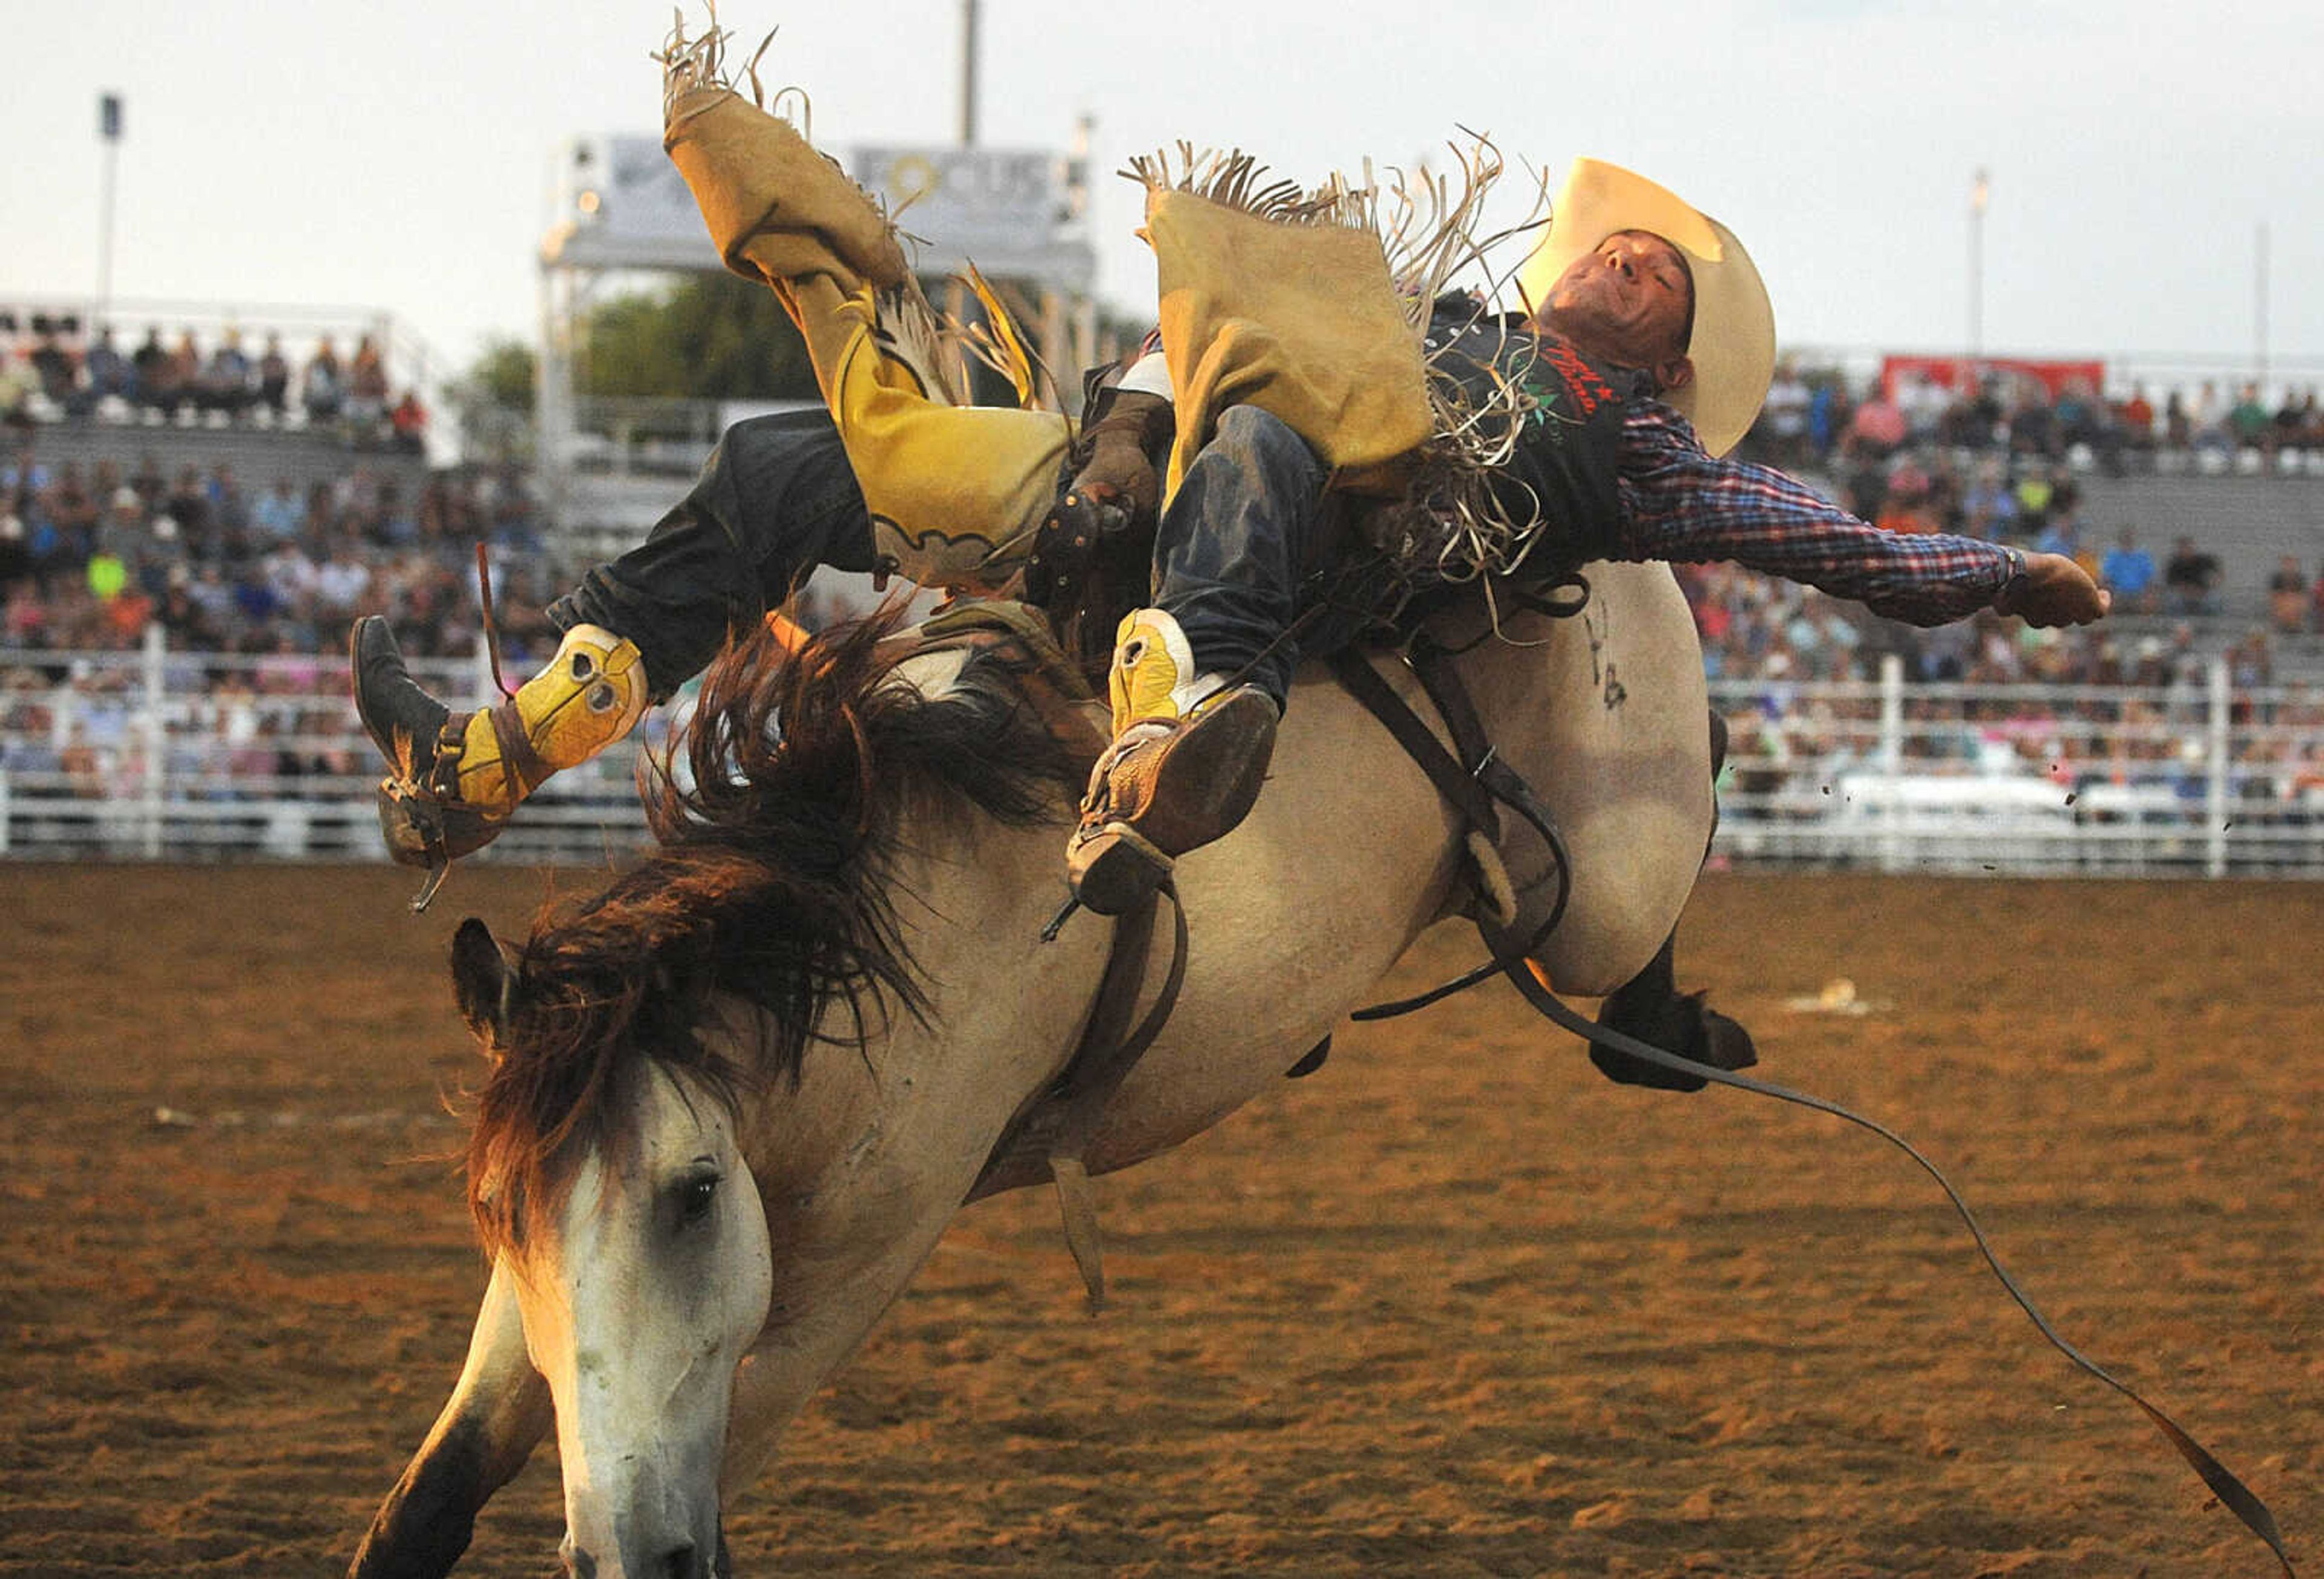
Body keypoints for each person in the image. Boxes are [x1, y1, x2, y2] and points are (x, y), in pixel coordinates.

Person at [351, 95, 2103, 905]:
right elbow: (1200, 342)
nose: (1627, 259)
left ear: (1666, 360)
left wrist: (2008, 571)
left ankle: (1164, 743)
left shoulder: (1637, 458)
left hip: (1299, 559)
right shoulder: (1419, 323)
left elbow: (1843, 544)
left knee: (1265, 440)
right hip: (1103, 507)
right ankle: (489, 757)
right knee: (773, 462)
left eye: (1659, 275)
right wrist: (1119, 430)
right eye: (1620, 245)